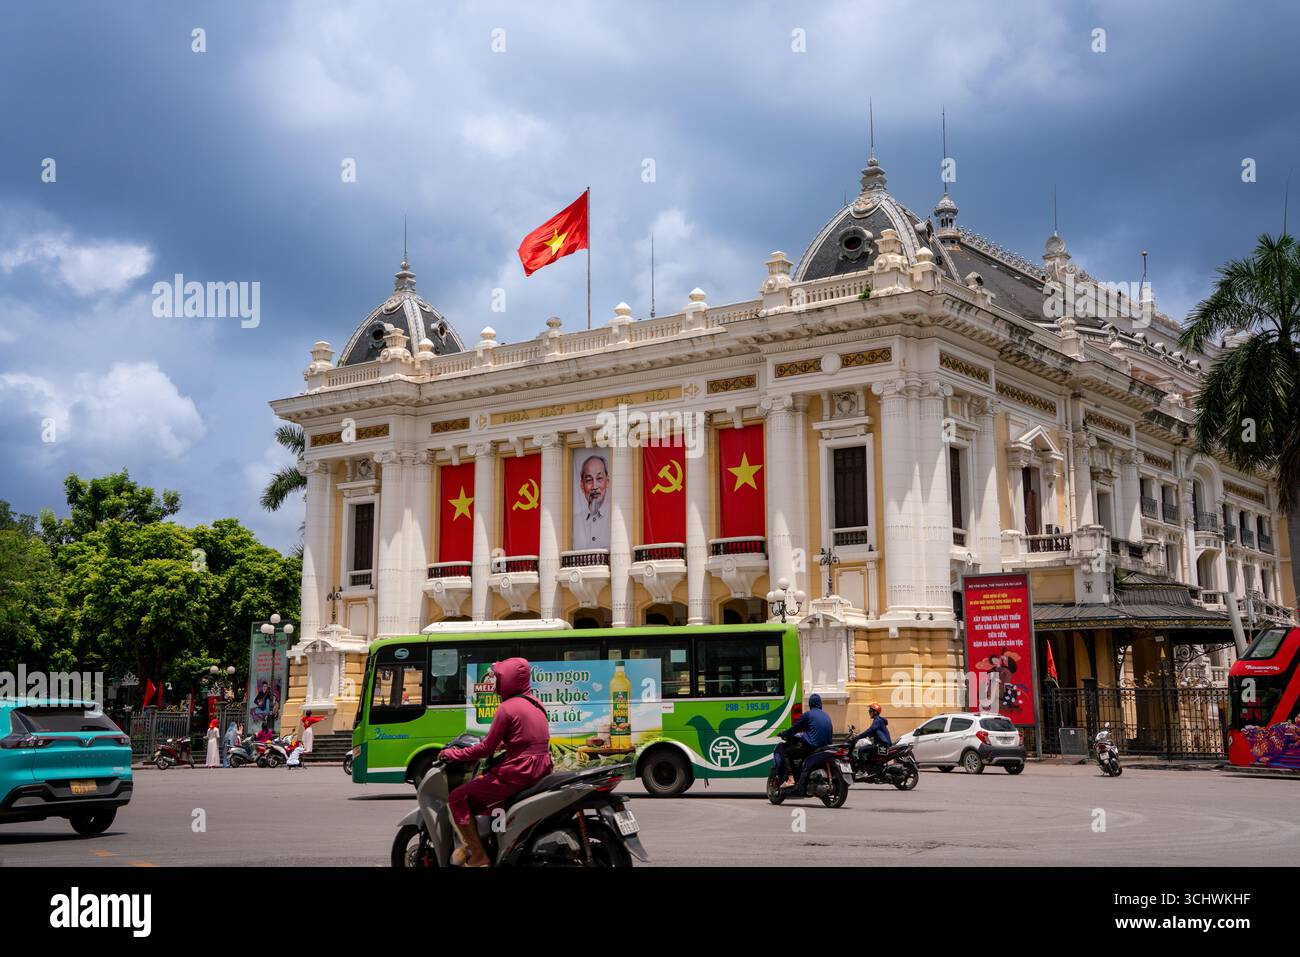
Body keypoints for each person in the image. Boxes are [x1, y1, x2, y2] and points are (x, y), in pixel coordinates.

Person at [437, 658, 553, 867]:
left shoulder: (506, 708)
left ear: (508, 679)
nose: (495, 683)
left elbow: (485, 749)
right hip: (542, 767)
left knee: (457, 797)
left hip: (518, 770)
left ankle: (478, 854)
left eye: (498, 677)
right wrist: (505, 745)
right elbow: (527, 739)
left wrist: (454, 754)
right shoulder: (537, 704)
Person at [774, 693, 833, 788]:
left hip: (811, 745)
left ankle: (791, 779)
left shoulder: (808, 715)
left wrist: (784, 733)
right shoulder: (826, 716)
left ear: (810, 704)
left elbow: (795, 728)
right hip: (826, 746)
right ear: (820, 704)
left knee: (786, 753)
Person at [575, 454, 611, 550]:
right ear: (582, 486)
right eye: (589, 480)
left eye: (599, 479)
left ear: (607, 482)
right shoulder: (575, 522)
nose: (594, 487)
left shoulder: (615, 517)